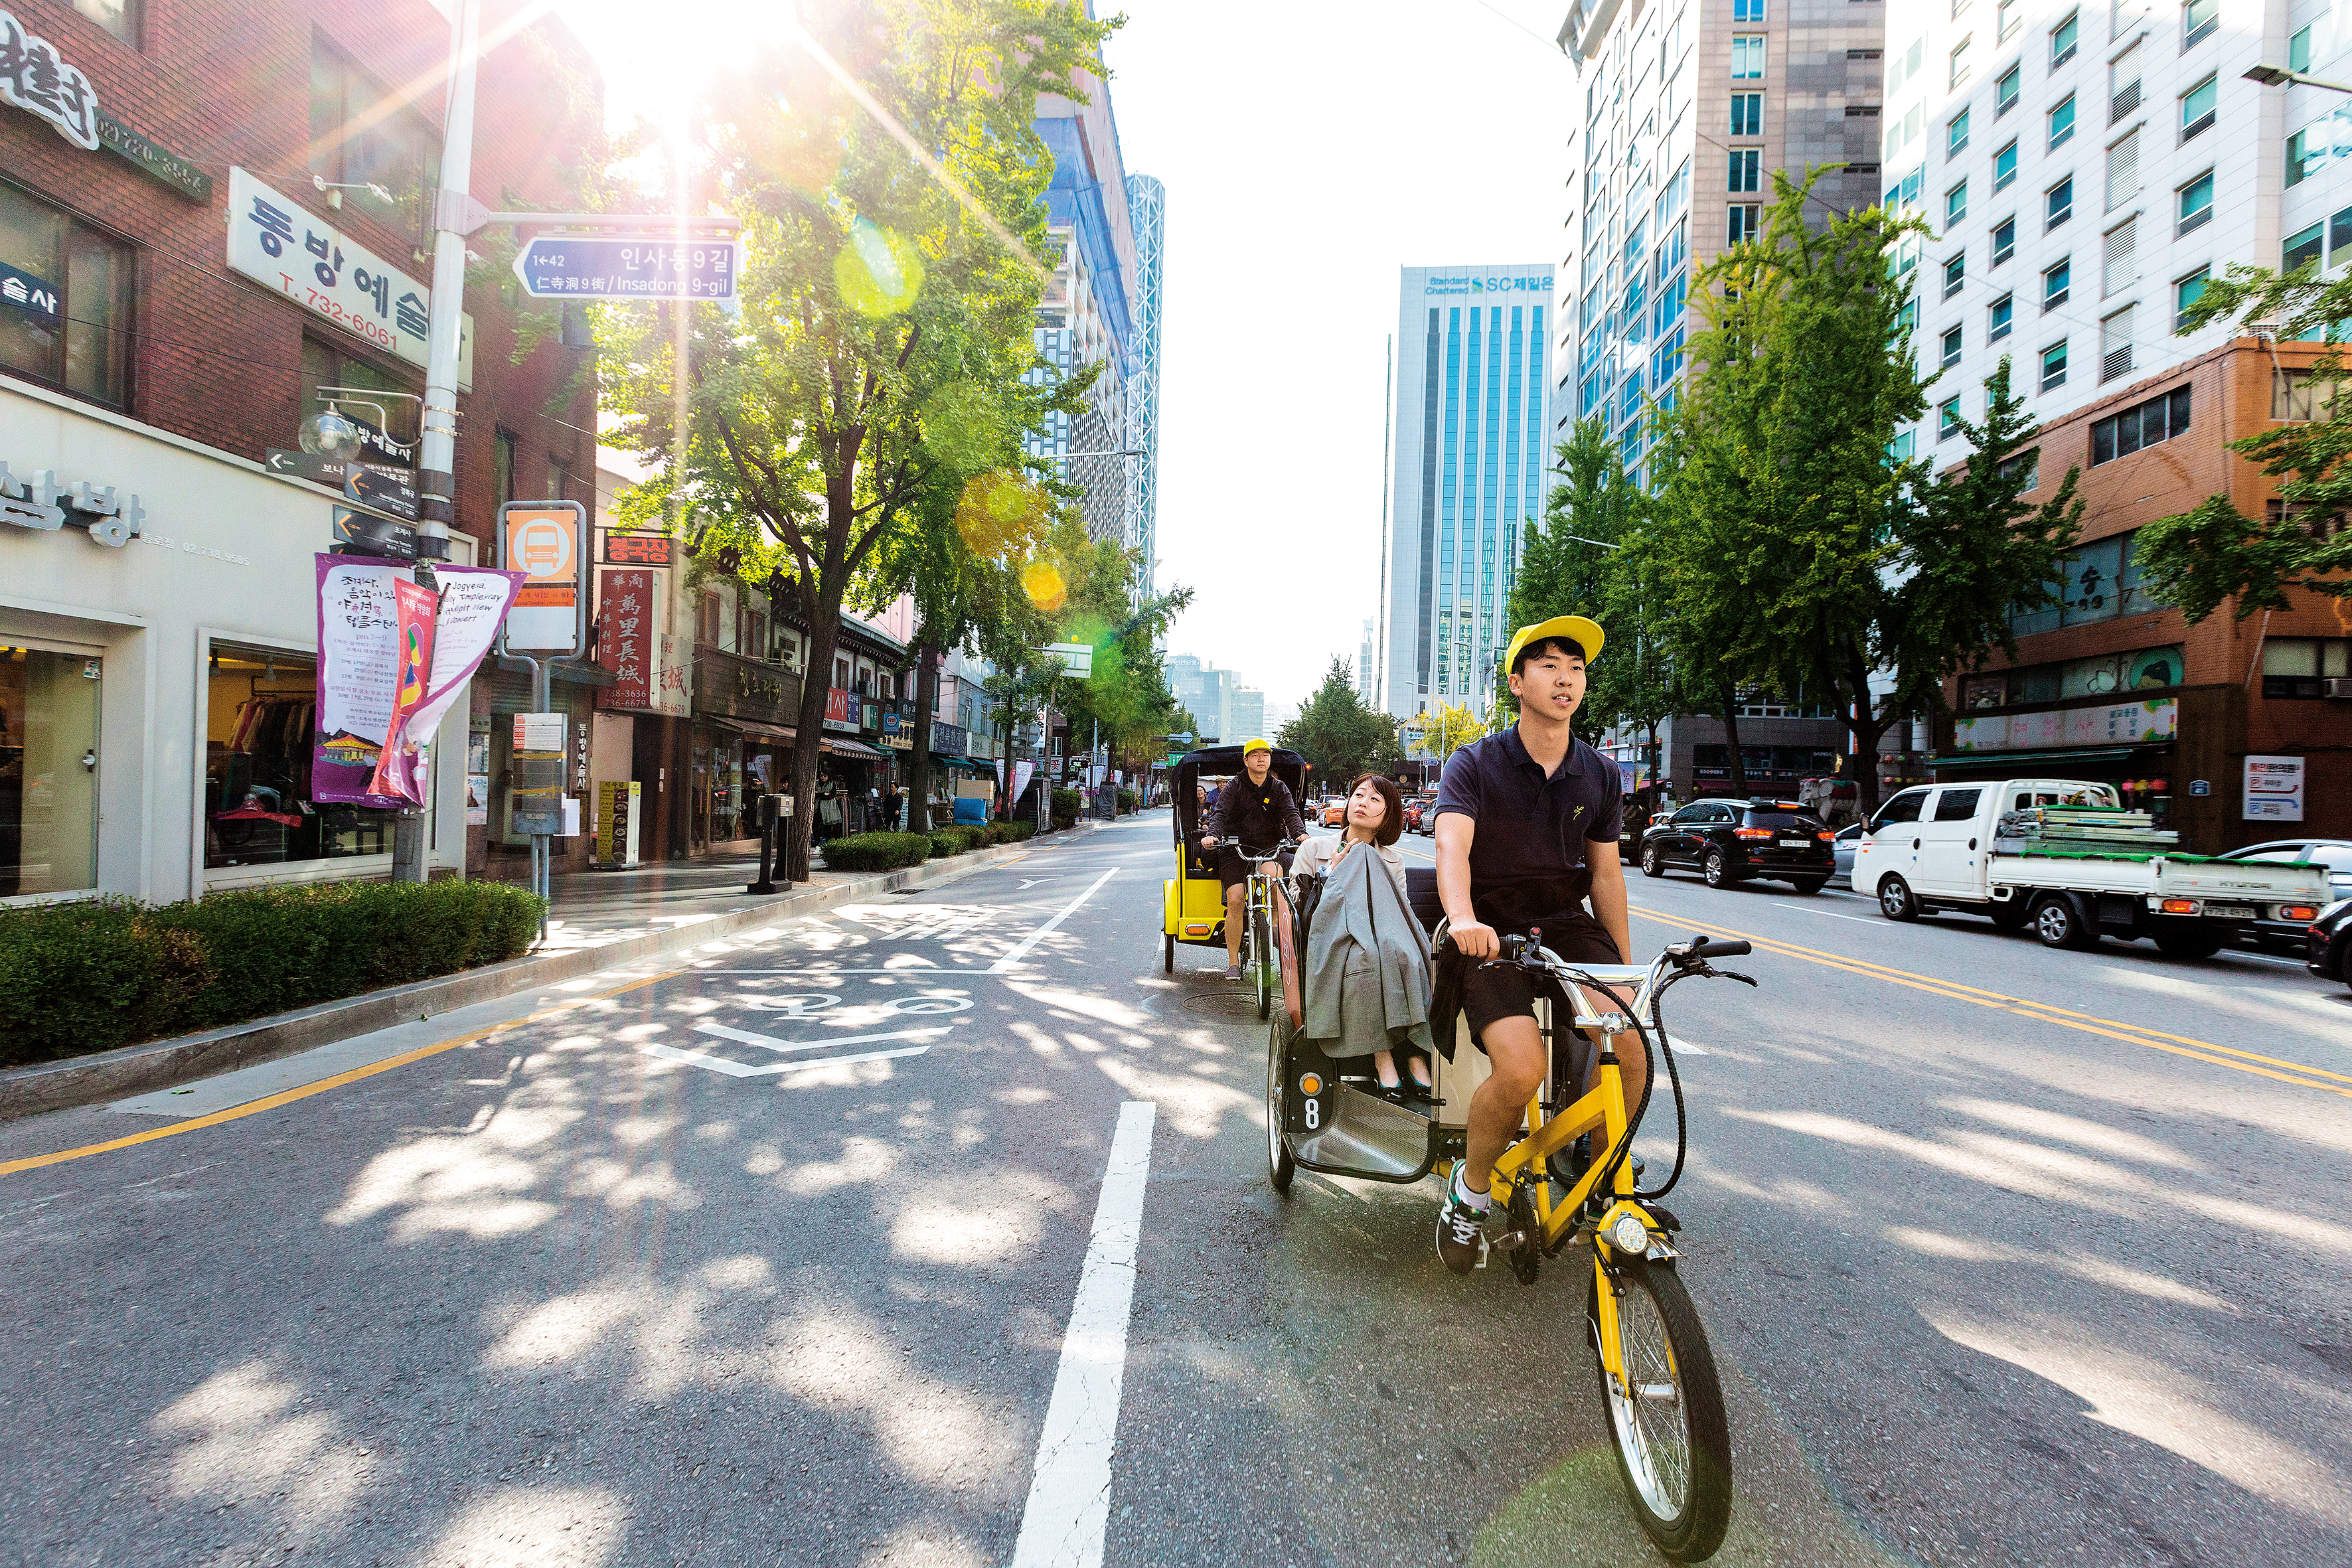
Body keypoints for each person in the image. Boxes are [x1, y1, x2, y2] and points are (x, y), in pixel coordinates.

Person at [1428, 615, 1643, 1275]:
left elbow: (1606, 873)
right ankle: (1471, 1190)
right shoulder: (1474, 763)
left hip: (1567, 923)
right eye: (1550, 665)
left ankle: (1606, 1179)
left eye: (1576, 668)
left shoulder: (1600, 775)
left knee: (1631, 1049)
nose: (1566, 678)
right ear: (1518, 682)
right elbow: (1450, 847)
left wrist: (1626, 967)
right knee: (1522, 1070)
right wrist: (1462, 916)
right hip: (1490, 928)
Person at [1290, 773, 1430, 1093]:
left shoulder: (1392, 859)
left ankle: (1414, 1055)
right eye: (1359, 796)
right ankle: (1383, 1057)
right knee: (1364, 962)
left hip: (1383, 930)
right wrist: (1329, 874)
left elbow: (1398, 909)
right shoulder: (1315, 849)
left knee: (1407, 957)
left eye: (1374, 800)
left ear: (1387, 816)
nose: (1363, 804)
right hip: (1333, 935)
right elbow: (1297, 906)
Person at [1199, 738, 1306, 980]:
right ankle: (1233, 961)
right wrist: (1212, 835)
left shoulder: (1278, 787)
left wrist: (1301, 835)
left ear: (1269, 760)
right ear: (1246, 760)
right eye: (1255, 755)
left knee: (1277, 878)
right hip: (1234, 849)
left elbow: (1291, 813)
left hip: (1268, 848)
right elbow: (1220, 813)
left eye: (1265, 755)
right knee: (1236, 899)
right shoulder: (1234, 786)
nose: (1261, 759)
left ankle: (1277, 928)